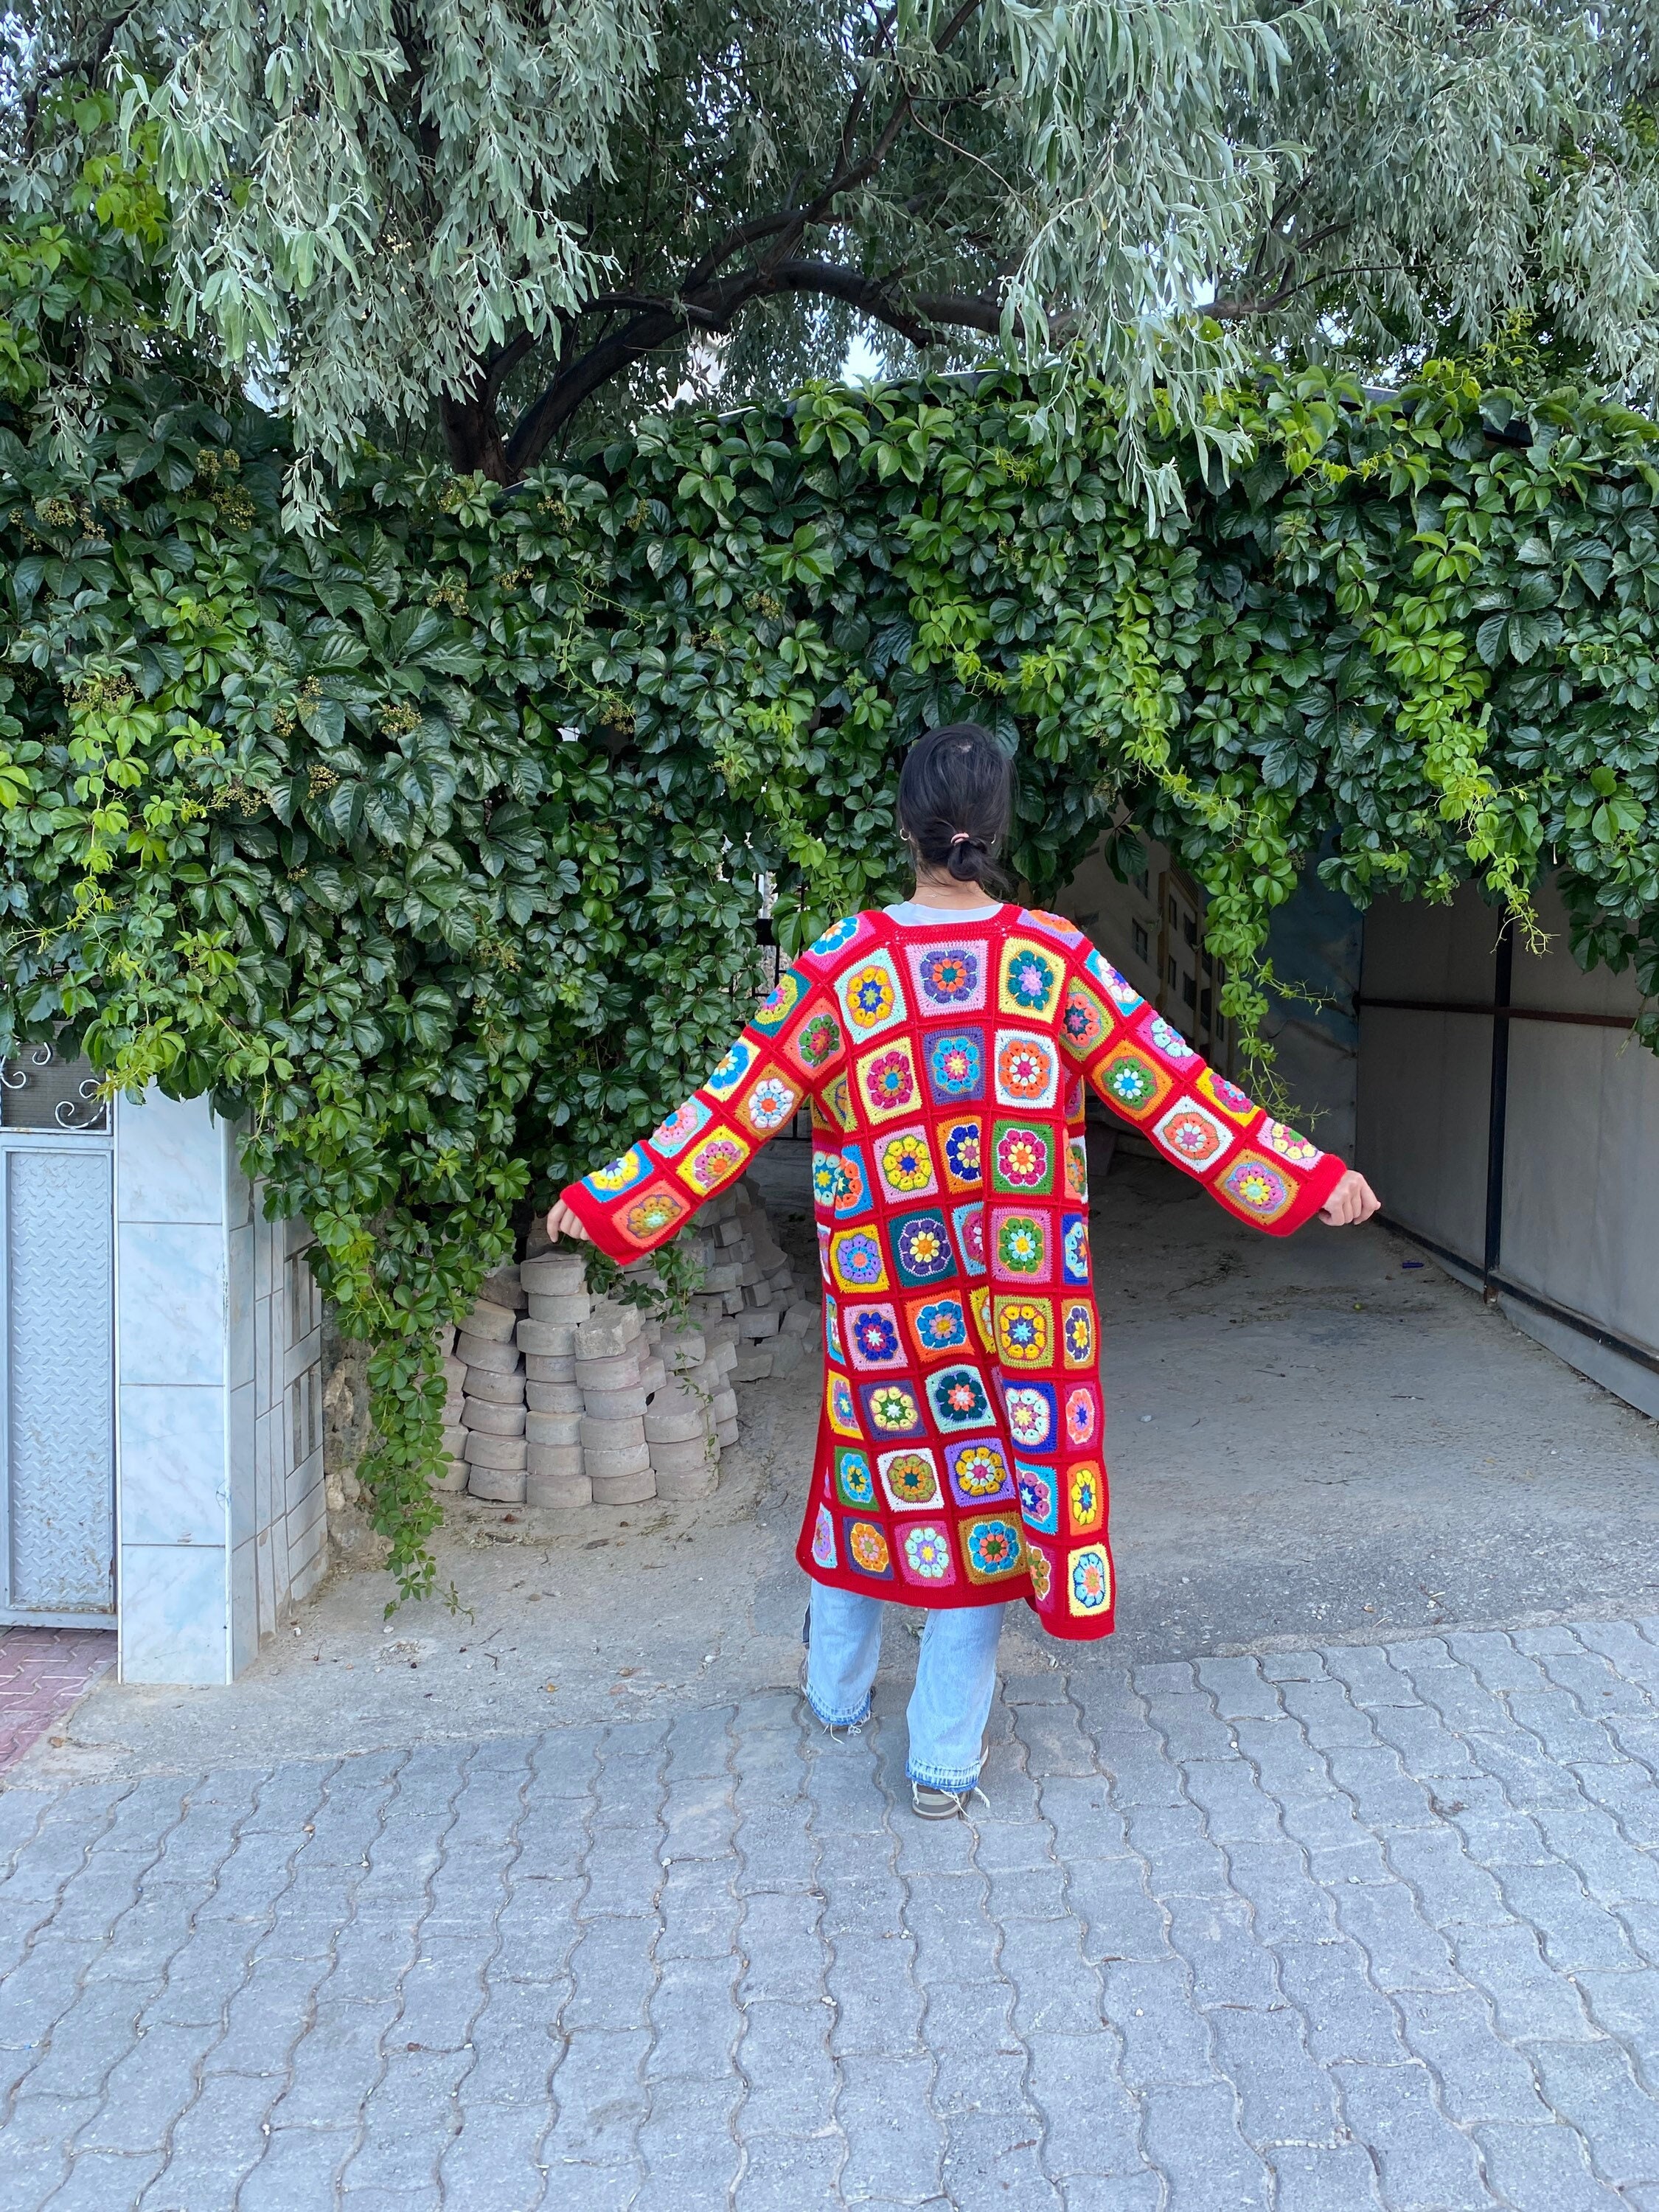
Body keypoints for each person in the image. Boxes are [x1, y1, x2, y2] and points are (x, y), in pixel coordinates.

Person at [546, 723, 1380, 1818]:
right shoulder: (1051, 961)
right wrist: (1310, 1176)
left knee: (869, 1475)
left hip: (884, 1306)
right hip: (1018, 1311)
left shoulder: (843, 965)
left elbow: (731, 1109)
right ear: (996, 830)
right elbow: (1175, 1089)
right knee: (985, 1504)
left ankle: (836, 1697)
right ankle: (940, 1761)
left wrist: (607, 1201)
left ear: (906, 828)